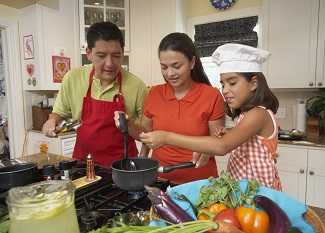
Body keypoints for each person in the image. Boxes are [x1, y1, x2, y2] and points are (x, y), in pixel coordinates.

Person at [140, 43, 282, 190]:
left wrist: (166, 137)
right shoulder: (246, 115)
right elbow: (242, 143)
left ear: (253, 83)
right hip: (243, 191)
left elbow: (222, 147)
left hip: (261, 194)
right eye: (223, 84)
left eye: (232, 83)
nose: (225, 90)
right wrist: (228, 134)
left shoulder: (258, 114)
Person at [115, 32, 225, 184]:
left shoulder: (211, 95)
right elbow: (146, 136)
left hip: (200, 182)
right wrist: (128, 125)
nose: (170, 73)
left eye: (176, 66)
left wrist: (206, 152)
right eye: (164, 67)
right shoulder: (154, 93)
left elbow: (217, 142)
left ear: (192, 62)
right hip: (160, 178)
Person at [42, 21, 148, 167]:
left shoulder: (138, 87)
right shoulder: (73, 79)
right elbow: (58, 114)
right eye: (101, 55)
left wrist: (141, 162)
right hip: (83, 166)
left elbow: (148, 135)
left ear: (123, 53)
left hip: (123, 169)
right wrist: (51, 121)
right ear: (89, 53)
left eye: (116, 55)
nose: (109, 63)